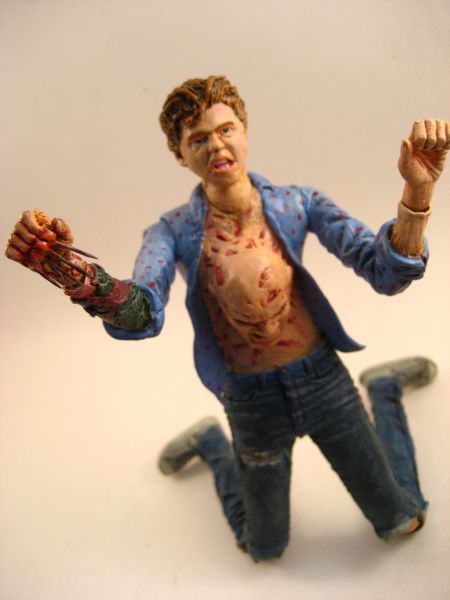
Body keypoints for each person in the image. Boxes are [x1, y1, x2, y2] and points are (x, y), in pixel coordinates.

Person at [5, 76, 449, 562]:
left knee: (402, 519)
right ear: (180, 155)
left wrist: (417, 192)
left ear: (245, 129)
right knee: (264, 548)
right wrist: (72, 271)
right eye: (198, 139)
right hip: (252, 401)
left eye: (225, 129)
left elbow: (386, 273)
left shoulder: (298, 203)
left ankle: (383, 389)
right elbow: (143, 313)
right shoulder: (171, 232)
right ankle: (213, 444)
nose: (216, 145)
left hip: (323, 380)